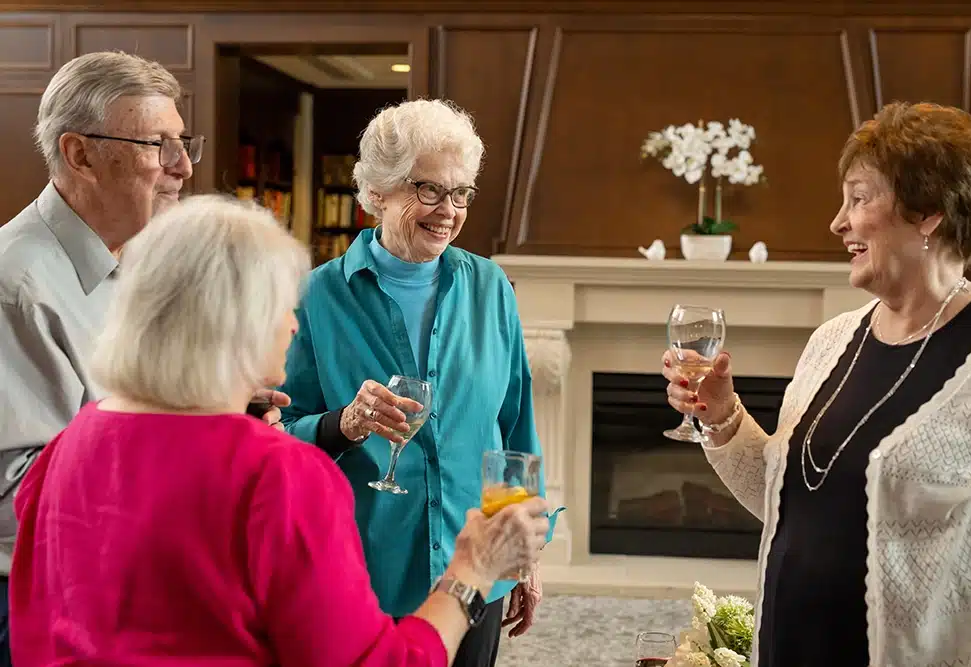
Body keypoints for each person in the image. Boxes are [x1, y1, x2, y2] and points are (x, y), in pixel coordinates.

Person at [9, 194, 552, 666]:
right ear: (237, 321)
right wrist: (472, 570)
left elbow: (33, 633)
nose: (293, 323)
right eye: (282, 306)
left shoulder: (64, 449)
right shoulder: (280, 473)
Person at [663, 101, 971, 666]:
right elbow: (787, 505)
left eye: (860, 198)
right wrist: (722, 416)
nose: (837, 222)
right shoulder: (832, 340)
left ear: (928, 212)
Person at [0, 51, 285, 664]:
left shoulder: (135, 259)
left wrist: (218, 413)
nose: (183, 167)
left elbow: (128, 420)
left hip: (103, 586)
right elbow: (17, 500)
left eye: (183, 143)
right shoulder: (16, 286)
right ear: (79, 155)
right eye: (158, 145)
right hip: (31, 601)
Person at [279, 99, 558, 667]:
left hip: (474, 568)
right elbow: (273, 436)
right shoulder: (314, 297)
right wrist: (344, 424)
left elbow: (512, 428)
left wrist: (520, 552)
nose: (447, 210)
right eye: (427, 190)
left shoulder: (490, 288)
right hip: (361, 574)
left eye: (460, 194)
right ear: (377, 191)